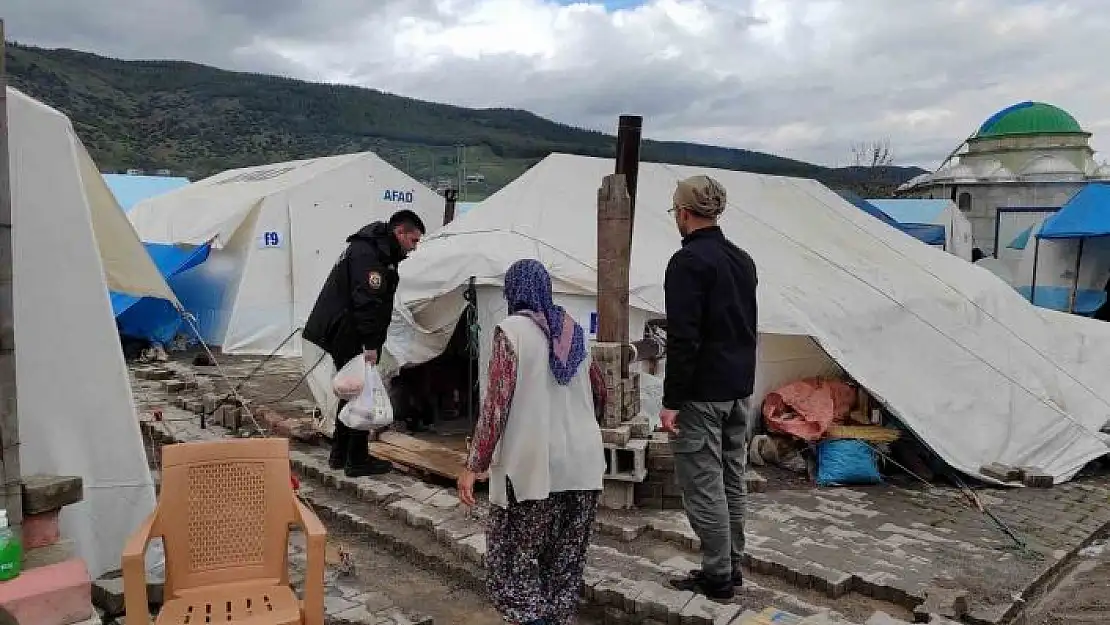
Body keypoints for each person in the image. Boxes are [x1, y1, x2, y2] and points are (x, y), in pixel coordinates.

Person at [457, 259, 607, 625]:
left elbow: (496, 406)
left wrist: (474, 465)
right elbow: (601, 393)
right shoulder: (572, 332)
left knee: (511, 563)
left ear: (512, 293)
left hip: (532, 472)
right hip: (583, 468)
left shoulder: (511, 331)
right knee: (563, 568)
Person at [658, 175, 758, 601]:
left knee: (703, 486)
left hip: (703, 393)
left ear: (683, 213)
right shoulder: (742, 259)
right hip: (739, 389)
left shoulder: (687, 263)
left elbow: (685, 338)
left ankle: (717, 575)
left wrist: (671, 401)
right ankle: (732, 565)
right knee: (731, 480)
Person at [303, 209, 426, 477]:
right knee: (361, 393)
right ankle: (356, 459)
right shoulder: (369, 254)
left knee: (351, 388)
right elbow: (367, 302)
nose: (414, 248)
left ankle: (339, 453)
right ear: (400, 233)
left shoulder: (373, 249)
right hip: (347, 330)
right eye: (413, 241)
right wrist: (370, 344)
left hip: (342, 327)